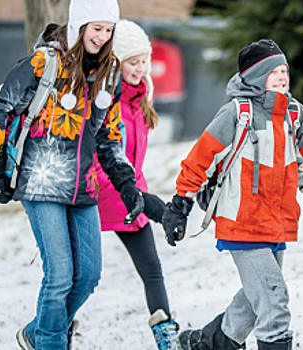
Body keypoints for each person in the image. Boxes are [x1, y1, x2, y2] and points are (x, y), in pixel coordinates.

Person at [0, 0, 143, 349]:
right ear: (79, 26)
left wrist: (126, 183)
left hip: (84, 185)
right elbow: (4, 105)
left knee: (89, 276)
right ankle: (52, 342)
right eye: (96, 28)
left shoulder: (110, 73)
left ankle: (38, 333)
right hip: (41, 180)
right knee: (60, 276)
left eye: (109, 29)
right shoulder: (45, 62)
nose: (103, 36)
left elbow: (110, 137)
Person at [160, 39, 303, 350]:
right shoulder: (235, 114)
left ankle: (215, 341)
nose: (283, 77)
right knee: (273, 297)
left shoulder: (296, 116)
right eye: (274, 72)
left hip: (277, 223)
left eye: (285, 71)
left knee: (257, 297)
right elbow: (199, 159)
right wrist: (180, 204)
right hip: (241, 222)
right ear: (256, 76)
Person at [93, 19, 179, 350]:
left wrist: (141, 195)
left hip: (132, 195)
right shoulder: (105, 103)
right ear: (114, 63)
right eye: (133, 61)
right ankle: (58, 332)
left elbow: (131, 162)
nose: (141, 68)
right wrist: (143, 198)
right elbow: (103, 158)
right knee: (80, 277)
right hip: (101, 195)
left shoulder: (140, 102)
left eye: (144, 60)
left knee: (152, 271)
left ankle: (166, 336)